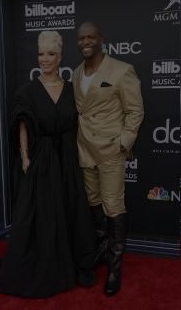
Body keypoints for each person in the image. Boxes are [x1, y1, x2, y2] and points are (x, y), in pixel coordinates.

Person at [0, 31, 97, 298]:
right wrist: (25, 157)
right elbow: (23, 126)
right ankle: (47, 266)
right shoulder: (26, 91)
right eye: (41, 54)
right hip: (41, 159)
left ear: (60, 56)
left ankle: (76, 263)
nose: (45, 59)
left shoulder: (72, 89)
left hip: (68, 158)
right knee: (44, 213)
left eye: (51, 54)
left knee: (70, 207)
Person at [73, 21, 144, 296]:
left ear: (101, 39)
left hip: (111, 152)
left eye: (91, 37)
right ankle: (100, 252)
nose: (85, 42)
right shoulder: (78, 72)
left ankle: (115, 268)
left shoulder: (122, 70)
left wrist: (123, 144)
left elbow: (135, 111)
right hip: (84, 151)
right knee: (93, 204)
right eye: (81, 38)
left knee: (113, 207)